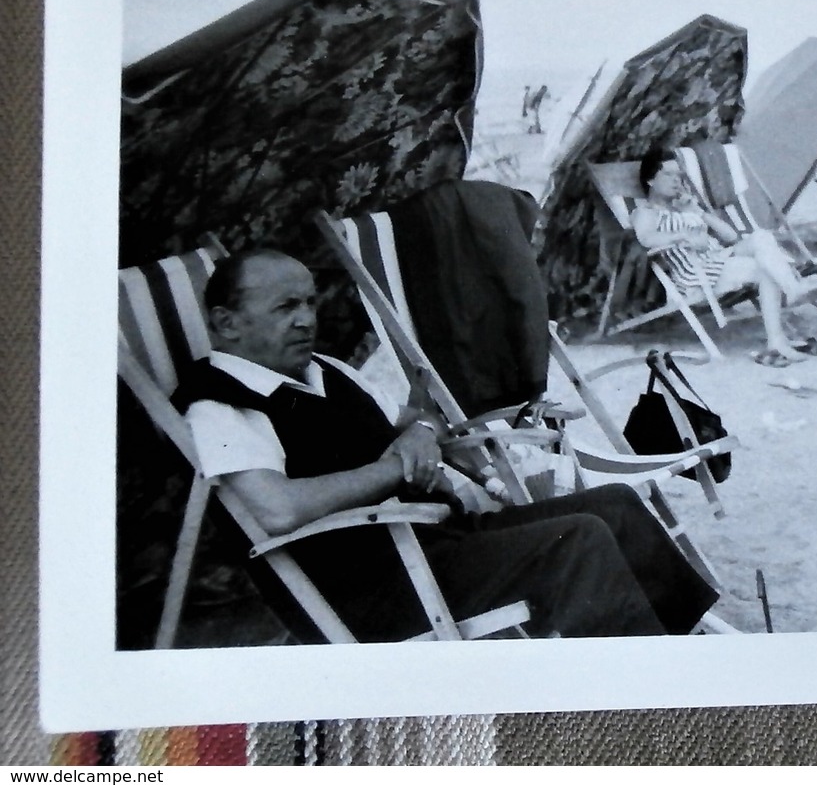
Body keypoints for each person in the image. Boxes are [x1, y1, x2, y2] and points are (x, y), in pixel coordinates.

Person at [176, 249, 717, 643]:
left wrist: (419, 433)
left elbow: (411, 424)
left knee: (616, 505)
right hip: (378, 587)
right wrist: (395, 468)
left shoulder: (328, 372)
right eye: (284, 307)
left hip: (434, 544)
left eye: (310, 302)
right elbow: (276, 509)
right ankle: (630, 699)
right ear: (227, 323)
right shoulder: (218, 405)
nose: (307, 319)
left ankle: (669, 652)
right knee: (577, 540)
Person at [631, 148, 817, 363]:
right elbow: (646, 238)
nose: (676, 181)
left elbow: (730, 235)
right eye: (668, 175)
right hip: (697, 275)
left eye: (679, 175)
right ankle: (779, 335)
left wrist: (699, 212)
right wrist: (682, 236)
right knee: (766, 270)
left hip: (719, 259)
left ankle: (792, 293)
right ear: (650, 180)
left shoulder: (684, 207)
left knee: (761, 237)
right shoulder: (645, 212)